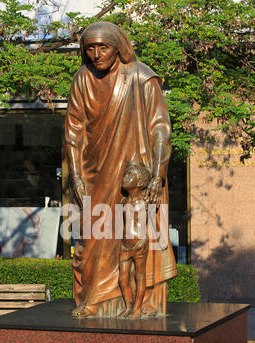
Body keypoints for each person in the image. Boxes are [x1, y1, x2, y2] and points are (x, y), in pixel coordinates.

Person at [64, 22, 177, 318]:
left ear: (118, 48)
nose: (96, 54)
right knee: (91, 237)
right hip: (92, 172)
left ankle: (137, 305)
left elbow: (161, 129)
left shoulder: (140, 77)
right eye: (90, 48)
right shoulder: (82, 78)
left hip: (133, 173)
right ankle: (94, 299)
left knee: (133, 239)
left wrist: (158, 173)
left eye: (103, 47)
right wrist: (75, 173)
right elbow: (73, 131)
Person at [118, 163, 150, 319]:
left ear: (140, 183)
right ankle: (128, 306)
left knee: (139, 276)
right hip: (124, 245)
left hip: (139, 244)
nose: (125, 178)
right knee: (123, 279)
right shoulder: (123, 202)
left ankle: (137, 309)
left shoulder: (146, 201)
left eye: (130, 176)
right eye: (125, 175)